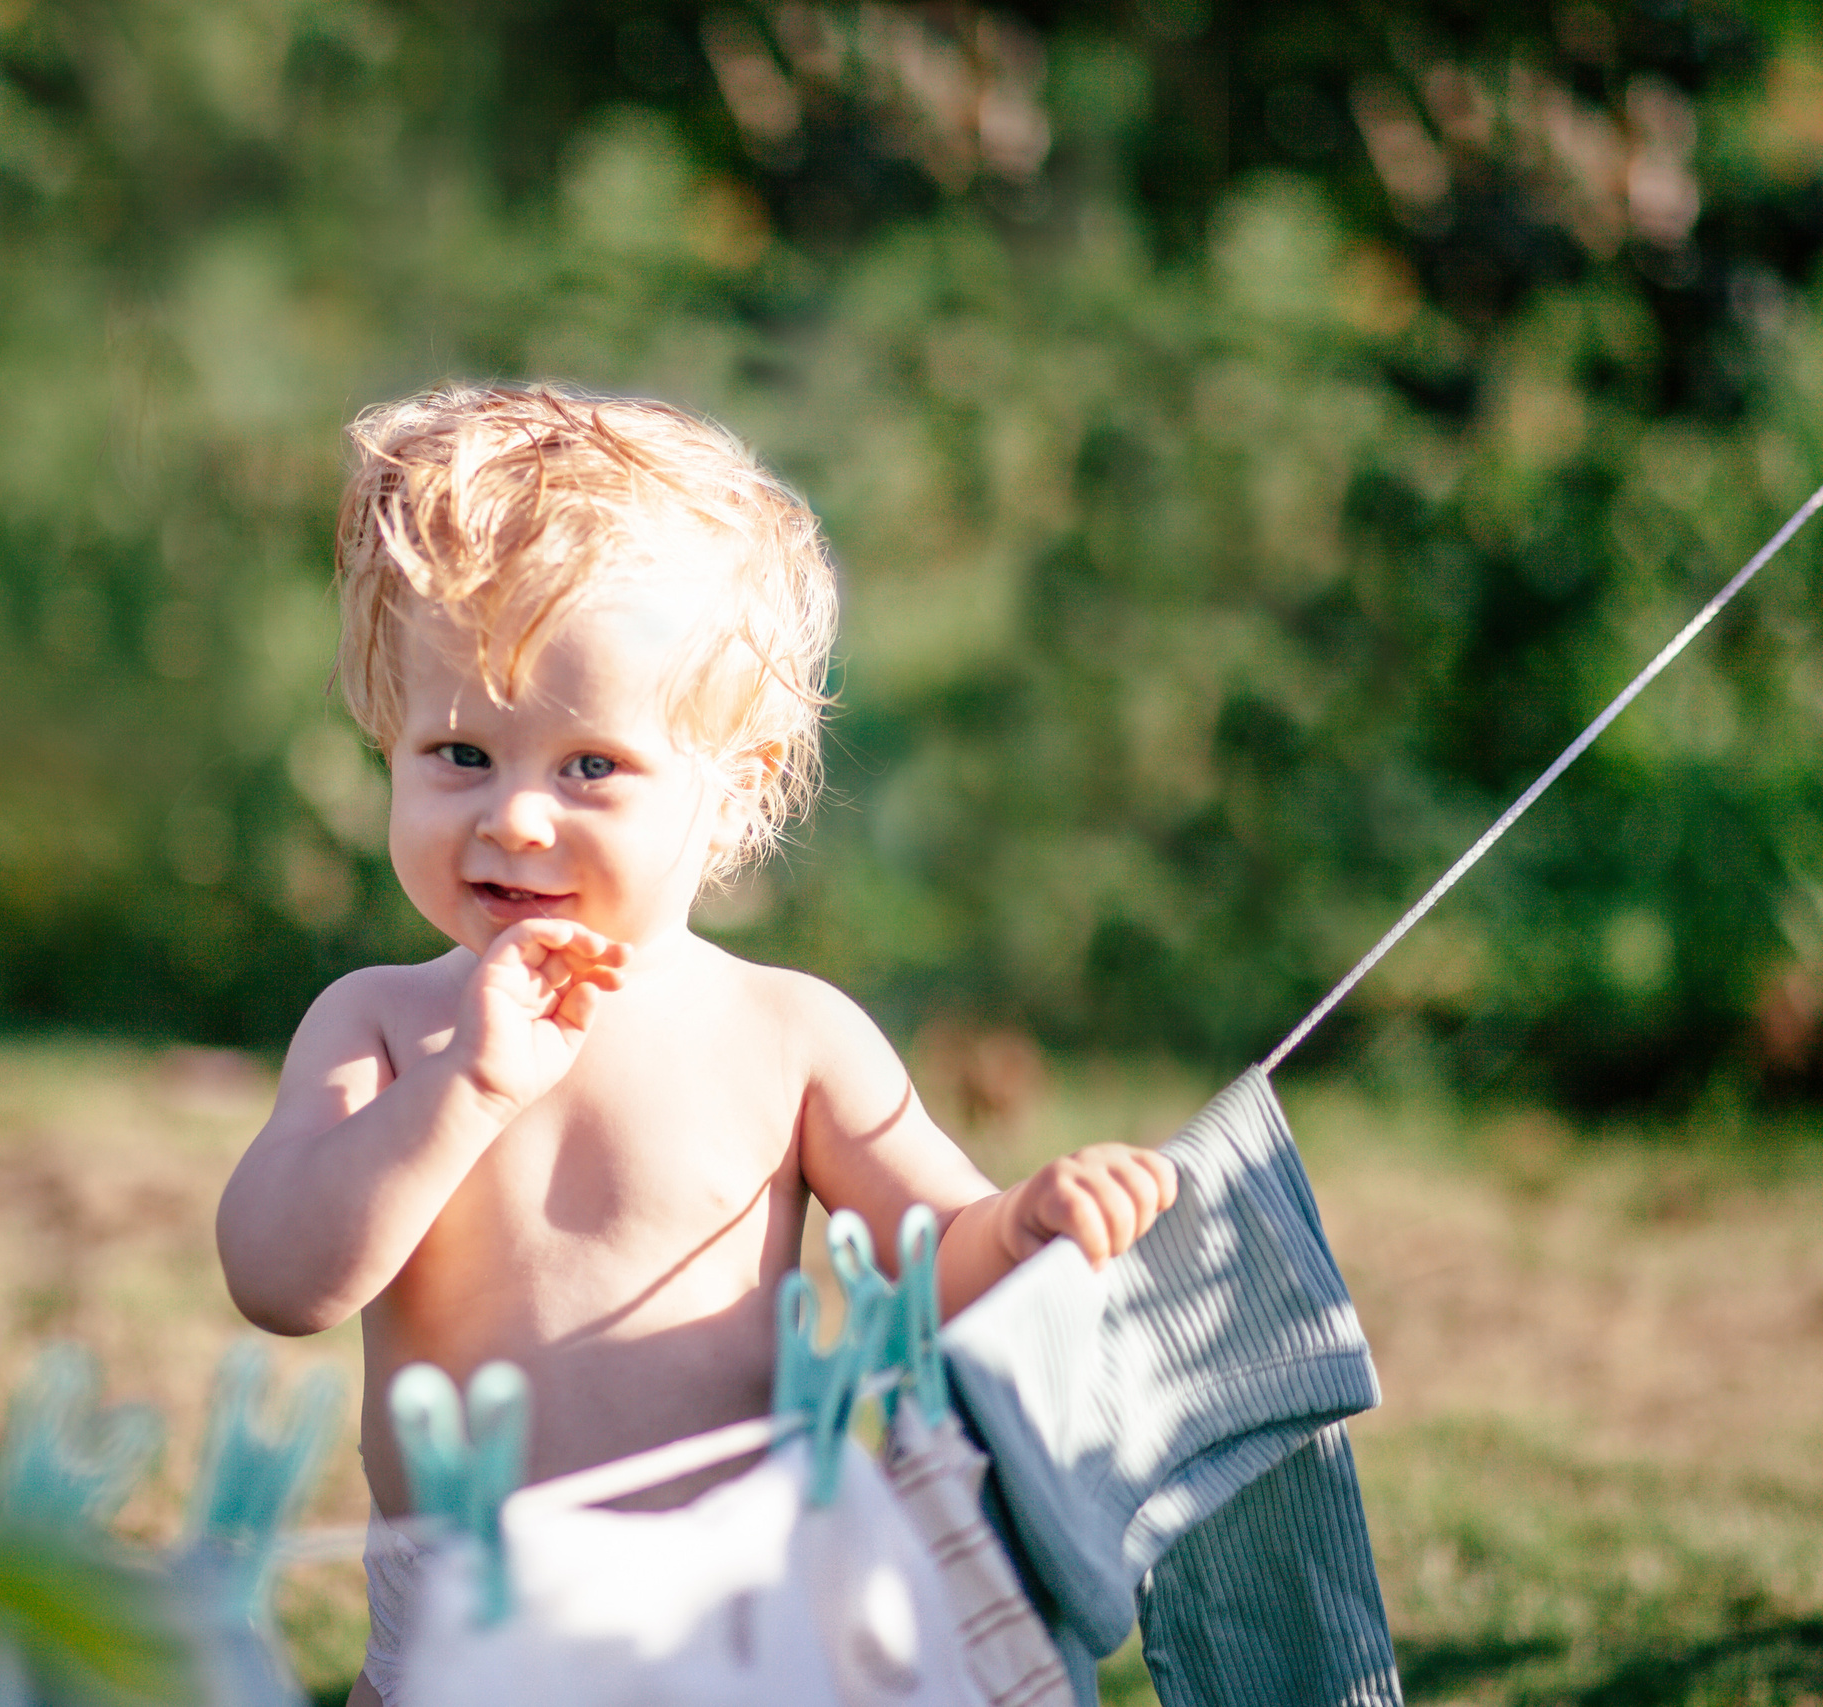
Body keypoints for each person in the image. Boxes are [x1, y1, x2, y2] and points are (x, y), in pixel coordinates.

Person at [216, 383, 1177, 1706]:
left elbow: (936, 1263)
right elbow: (280, 1281)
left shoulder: (788, 1034)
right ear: (389, 743)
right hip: (460, 1628)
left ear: (734, 791)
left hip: (732, 1622)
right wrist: (463, 1088)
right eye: (461, 752)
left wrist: (1024, 1225)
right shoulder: (381, 1021)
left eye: (590, 767)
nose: (517, 819)